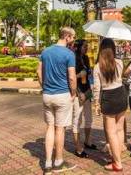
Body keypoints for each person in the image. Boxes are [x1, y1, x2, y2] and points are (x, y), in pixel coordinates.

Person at [37, 27, 77, 174]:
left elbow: (38, 71)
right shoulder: (69, 54)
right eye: (72, 37)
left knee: (49, 127)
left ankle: (47, 163)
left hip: (47, 95)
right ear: (67, 36)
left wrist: (44, 86)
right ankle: (58, 162)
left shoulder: (45, 51)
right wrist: (73, 93)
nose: (73, 40)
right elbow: (72, 77)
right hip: (62, 95)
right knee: (60, 129)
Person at [93, 38, 128, 172]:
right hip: (121, 94)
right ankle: (117, 156)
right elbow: (122, 78)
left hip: (108, 97)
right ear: (113, 48)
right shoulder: (119, 62)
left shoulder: (97, 66)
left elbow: (97, 88)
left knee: (111, 132)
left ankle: (117, 163)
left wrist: (96, 103)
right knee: (119, 130)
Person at [71, 39, 96, 158]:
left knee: (89, 117)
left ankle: (87, 141)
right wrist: (79, 75)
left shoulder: (86, 58)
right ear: (78, 47)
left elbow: (89, 72)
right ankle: (78, 147)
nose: (87, 48)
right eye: (85, 46)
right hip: (78, 92)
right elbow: (69, 78)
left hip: (87, 91)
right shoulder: (72, 59)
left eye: (87, 46)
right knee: (77, 118)